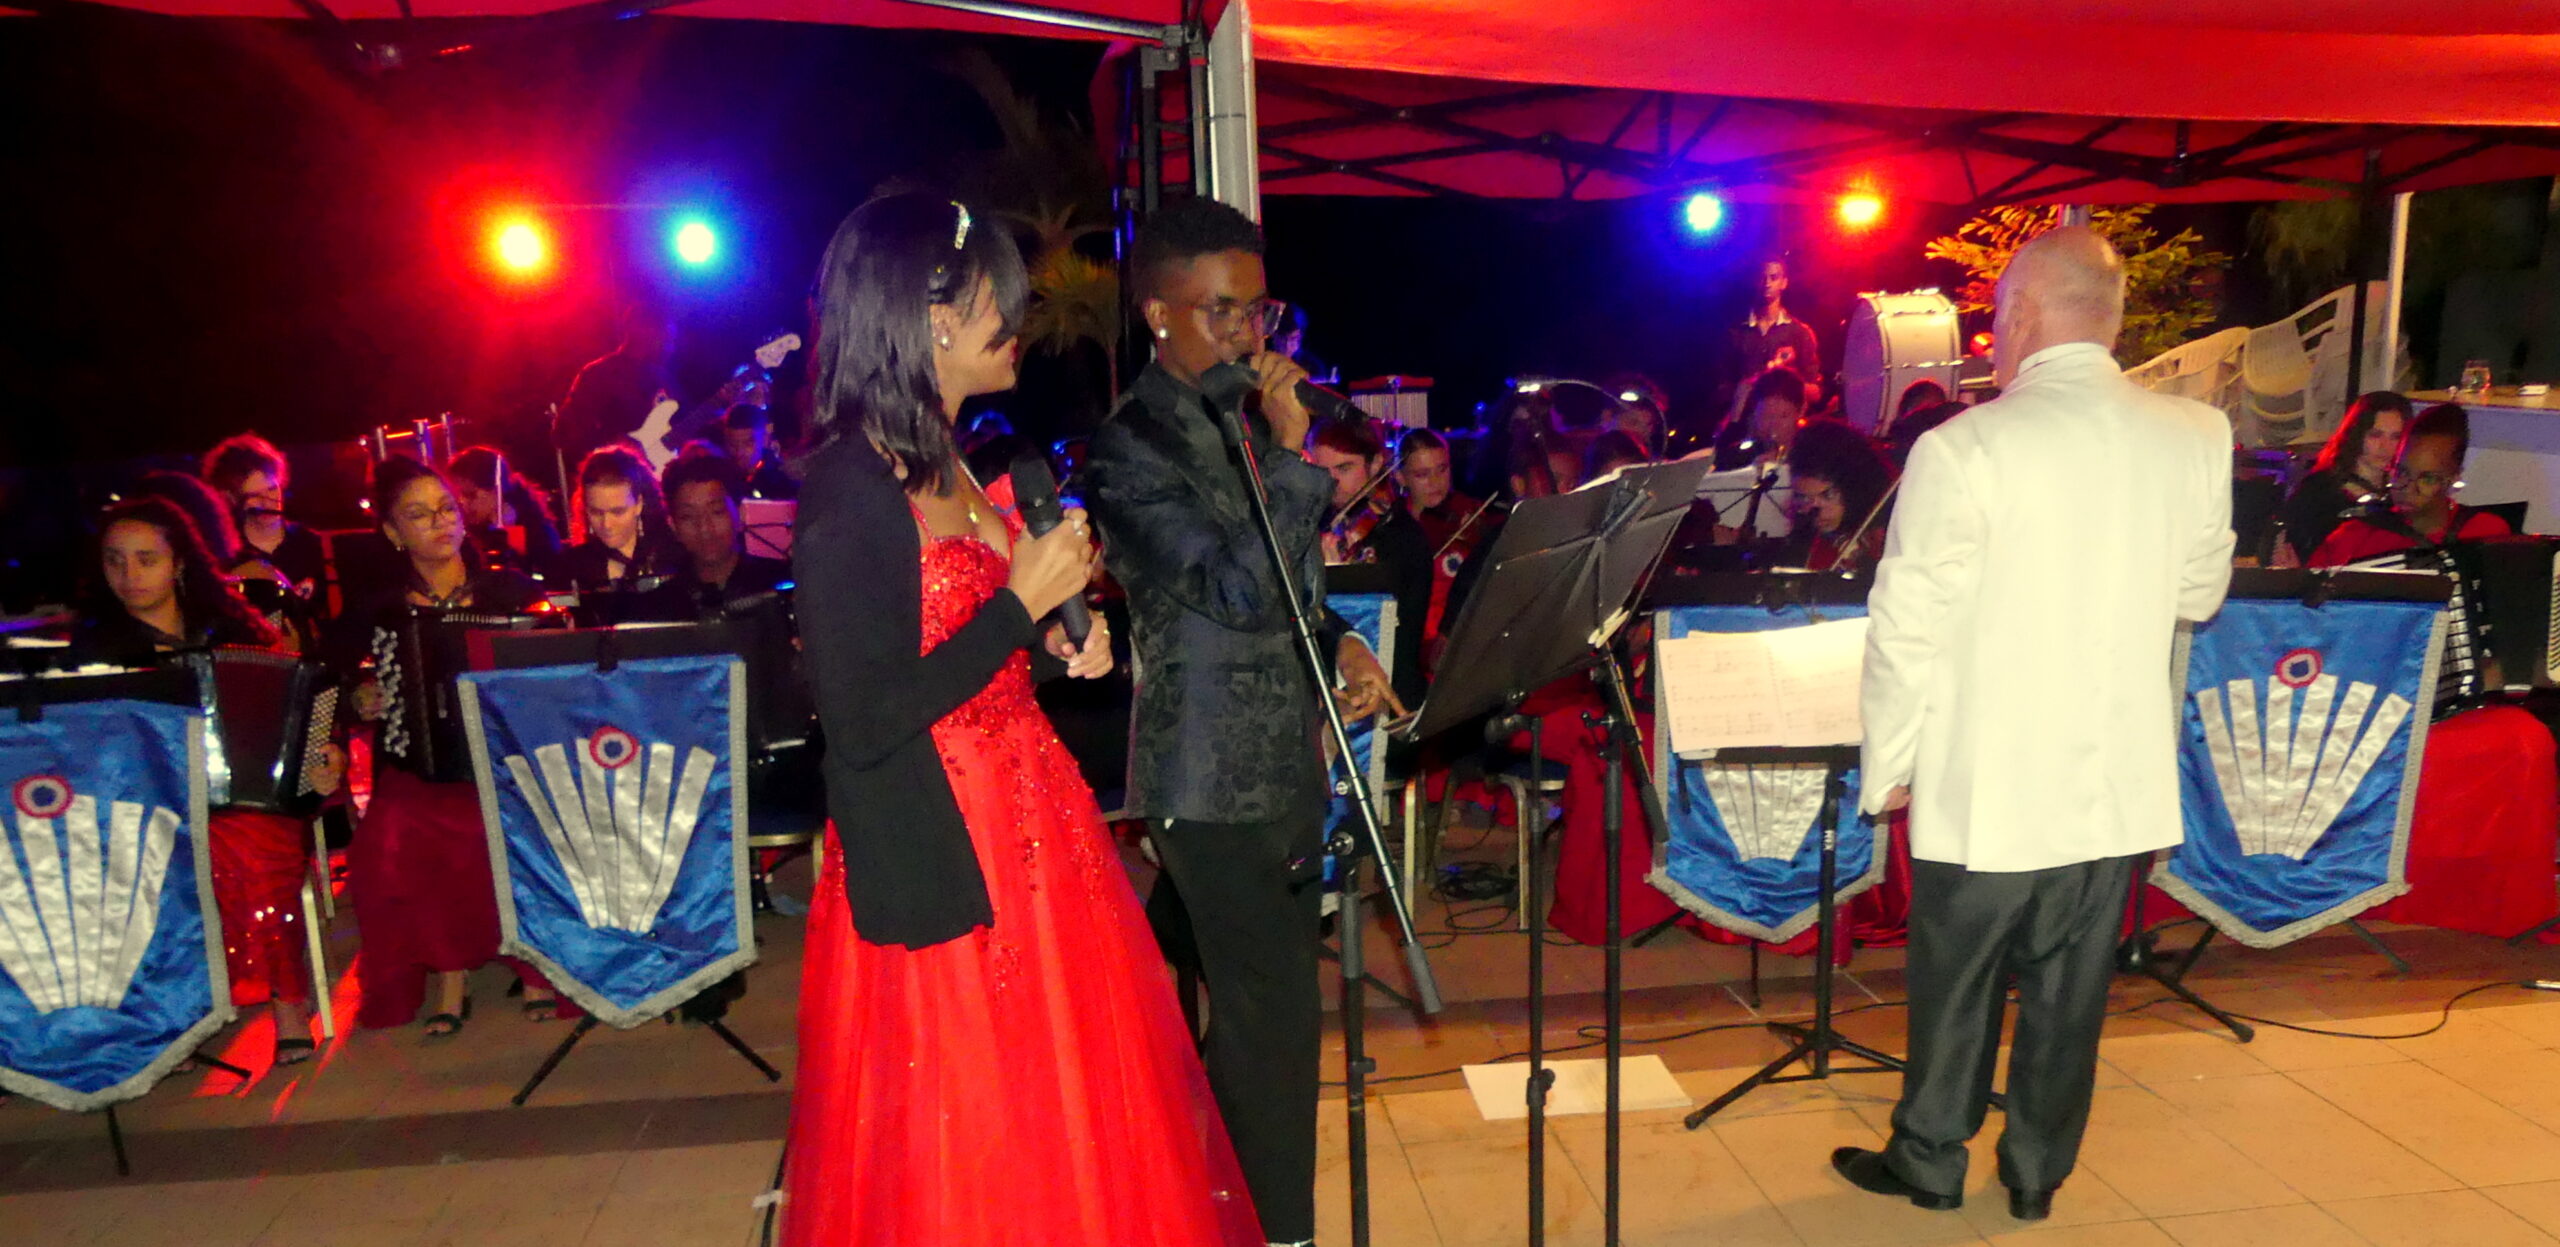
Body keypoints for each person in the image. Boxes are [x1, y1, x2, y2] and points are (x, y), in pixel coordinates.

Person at [782, 193, 1260, 1247]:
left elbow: (966, 654)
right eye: (997, 297)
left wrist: (1050, 645)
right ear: (931, 316)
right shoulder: (849, 486)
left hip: (1037, 823)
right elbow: (862, 718)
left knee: (1070, 1107)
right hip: (942, 840)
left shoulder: (949, 457)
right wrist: (1016, 606)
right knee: (971, 1123)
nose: (1018, 320)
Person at [1839, 226, 2234, 1221]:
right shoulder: (2196, 433)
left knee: (1957, 981)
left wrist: (1887, 762)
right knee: (2070, 991)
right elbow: (2197, 595)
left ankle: (1930, 1158)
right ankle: (2035, 1174)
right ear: (2113, 318)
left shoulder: (1962, 446)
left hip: (1989, 775)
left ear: (2019, 312)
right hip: (2112, 779)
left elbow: (1905, 624)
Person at [1080, 196, 1400, 1247]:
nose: (1245, 333)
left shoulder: (1243, 422)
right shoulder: (1128, 449)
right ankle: (1273, 1231)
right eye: (1219, 310)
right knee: (1274, 1023)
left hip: (1282, 762)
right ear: (1158, 314)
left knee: (1260, 1020)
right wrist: (1299, 461)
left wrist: (1340, 642)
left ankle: (1204, 1204)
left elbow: (1291, 592)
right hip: (1207, 777)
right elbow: (1235, 591)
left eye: (1255, 309)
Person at [74, 498, 336, 1066]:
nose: (129, 574)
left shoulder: (232, 632)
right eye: (115, 560)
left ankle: (289, 1003)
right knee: (146, 859)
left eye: (146, 559)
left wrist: (321, 757)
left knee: (253, 849)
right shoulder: (94, 652)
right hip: (141, 806)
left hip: (243, 804)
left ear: (179, 564)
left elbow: (299, 708)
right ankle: (178, 1016)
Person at [329, 457, 565, 1034]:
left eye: (446, 508)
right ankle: (450, 975)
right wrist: (361, 696)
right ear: (393, 532)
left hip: (506, 760)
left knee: (504, 818)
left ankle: (534, 963)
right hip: (419, 765)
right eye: (419, 514)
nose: (439, 522)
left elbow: (560, 668)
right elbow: (328, 679)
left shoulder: (510, 591)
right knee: (393, 834)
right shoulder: (380, 609)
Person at [2310, 403, 2511, 709]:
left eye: (2427, 479)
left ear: (2452, 478)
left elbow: (2507, 625)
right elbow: (2312, 623)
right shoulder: (2354, 535)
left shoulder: (2486, 532)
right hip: (2376, 697)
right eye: (2401, 472)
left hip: (2473, 701)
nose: (2407, 488)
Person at [1305, 417, 1432, 712]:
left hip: (1387, 697)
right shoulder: (1314, 522)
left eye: (1344, 468)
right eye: (1321, 470)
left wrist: (1335, 580)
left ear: (1375, 464)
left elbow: (1394, 639)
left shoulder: (1403, 536)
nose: (1330, 482)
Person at [2282, 391, 2416, 563]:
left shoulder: (2405, 494)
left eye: (2396, 437)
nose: (2386, 447)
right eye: (2375, 435)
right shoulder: (2319, 489)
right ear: (2356, 434)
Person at [202, 433, 330, 608]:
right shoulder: (223, 557)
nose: (267, 502)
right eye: (254, 496)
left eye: (272, 489)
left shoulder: (313, 545)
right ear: (231, 498)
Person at [663, 452, 791, 614]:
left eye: (716, 512)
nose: (704, 528)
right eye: (688, 516)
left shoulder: (780, 583)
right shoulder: (664, 603)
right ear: (673, 526)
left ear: (740, 514)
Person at [557, 302, 675, 460]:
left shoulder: (662, 376)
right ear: (640, 329)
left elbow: (675, 428)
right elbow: (563, 433)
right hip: (613, 470)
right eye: (663, 331)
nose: (669, 339)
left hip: (655, 470)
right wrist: (614, 445)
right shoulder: (599, 374)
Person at [560, 446, 681, 591]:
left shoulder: (672, 555)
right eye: (596, 512)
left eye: (618, 512)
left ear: (639, 504)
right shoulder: (571, 567)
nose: (606, 524)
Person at [1784, 418, 1894, 572]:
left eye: (1827, 495)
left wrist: (1863, 563)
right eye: (1803, 497)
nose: (1816, 512)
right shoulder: (1808, 537)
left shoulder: (1883, 529)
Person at [447, 445, 565, 579]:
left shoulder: (534, 529)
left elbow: (542, 576)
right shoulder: (465, 533)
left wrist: (508, 534)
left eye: (470, 495)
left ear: (496, 489)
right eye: (458, 495)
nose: (462, 502)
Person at [1731, 255, 1821, 395]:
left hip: (1783, 409)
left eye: (1773, 278)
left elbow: (1815, 392)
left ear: (1784, 283)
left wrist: (1784, 386)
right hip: (1745, 409)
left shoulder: (1800, 333)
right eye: (1762, 278)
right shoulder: (1737, 332)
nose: (1767, 283)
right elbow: (1721, 387)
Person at [1715, 366, 1810, 470]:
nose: (1774, 425)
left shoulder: (1811, 453)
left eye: (1783, 416)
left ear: (1801, 410)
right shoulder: (1743, 455)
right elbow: (1717, 463)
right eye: (1766, 416)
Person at [722, 402, 801, 500]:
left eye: (747, 444)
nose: (739, 452)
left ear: (764, 439)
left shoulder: (782, 481)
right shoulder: (722, 479)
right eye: (732, 444)